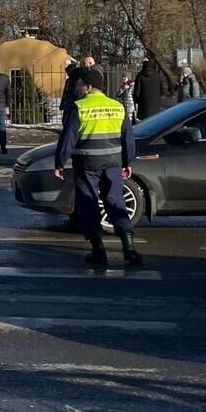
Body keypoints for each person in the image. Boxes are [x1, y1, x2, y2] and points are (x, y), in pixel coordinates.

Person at [53, 67, 141, 267]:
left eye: (80, 85)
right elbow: (128, 138)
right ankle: (129, 248)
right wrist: (127, 162)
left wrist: (59, 162)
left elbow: (68, 139)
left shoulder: (79, 107)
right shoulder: (117, 106)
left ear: (89, 86)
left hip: (86, 164)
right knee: (116, 201)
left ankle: (98, 250)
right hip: (113, 163)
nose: (77, 88)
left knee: (89, 203)